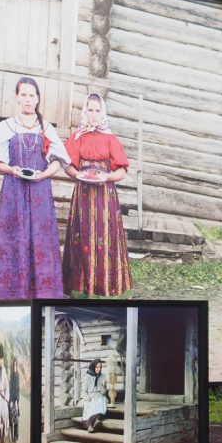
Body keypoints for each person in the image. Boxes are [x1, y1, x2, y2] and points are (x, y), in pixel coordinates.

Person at [0, 77, 69, 300]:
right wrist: (12, 170)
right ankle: (11, 296)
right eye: (23, 94)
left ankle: (42, 296)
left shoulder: (46, 128)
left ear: (38, 99)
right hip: (14, 191)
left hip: (40, 192)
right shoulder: (6, 127)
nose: (27, 99)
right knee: (15, 237)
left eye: (31, 95)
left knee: (41, 240)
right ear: (17, 98)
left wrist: (43, 174)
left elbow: (59, 160)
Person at [62, 92, 132, 298]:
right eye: (90, 110)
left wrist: (107, 178)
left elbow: (122, 171)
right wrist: (79, 174)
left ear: (103, 113)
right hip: (83, 196)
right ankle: (81, 289)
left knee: (105, 237)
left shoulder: (111, 139)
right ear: (85, 112)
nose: (93, 115)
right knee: (82, 237)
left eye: (97, 110)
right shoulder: (77, 137)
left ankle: (106, 288)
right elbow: (68, 165)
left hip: (104, 197)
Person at [81, 359, 109, 433]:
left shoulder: (103, 376)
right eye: (97, 367)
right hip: (90, 396)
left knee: (100, 402)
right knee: (90, 405)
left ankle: (97, 420)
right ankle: (89, 425)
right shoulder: (87, 376)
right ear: (93, 367)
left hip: (99, 396)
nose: (99, 369)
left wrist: (103, 386)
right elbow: (84, 391)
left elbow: (104, 392)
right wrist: (86, 396)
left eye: (100, 367)